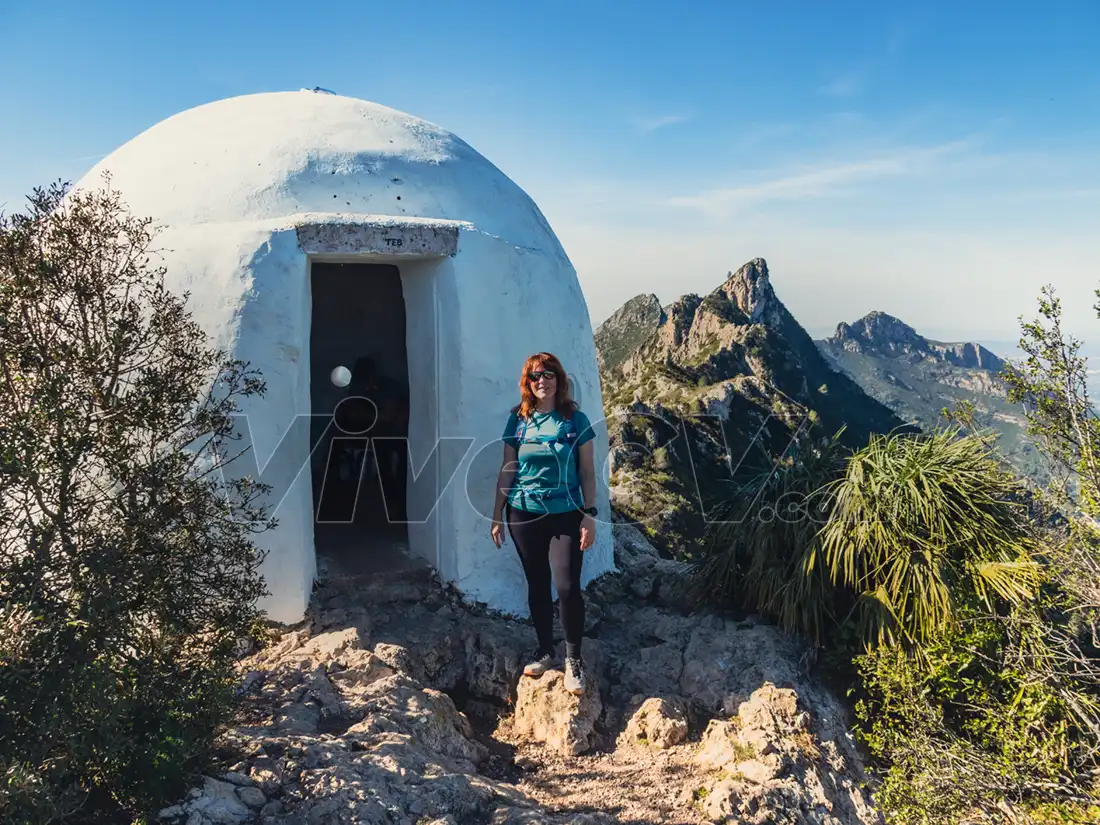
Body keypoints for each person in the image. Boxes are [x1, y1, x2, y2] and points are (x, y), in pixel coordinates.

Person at [490, 352, 598, 696]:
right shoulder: (518, 420)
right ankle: (545, 650)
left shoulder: (575, 419)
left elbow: (587, 472)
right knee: (537, 584)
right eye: (535, 376)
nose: (542, 381)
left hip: (566, 512)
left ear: (559, 380)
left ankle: (573, 659)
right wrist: (497, 513)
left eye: (549, 374)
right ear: (528, 382)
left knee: (567, 587)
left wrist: (590, 515)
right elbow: (509, 468)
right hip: (523, 512)